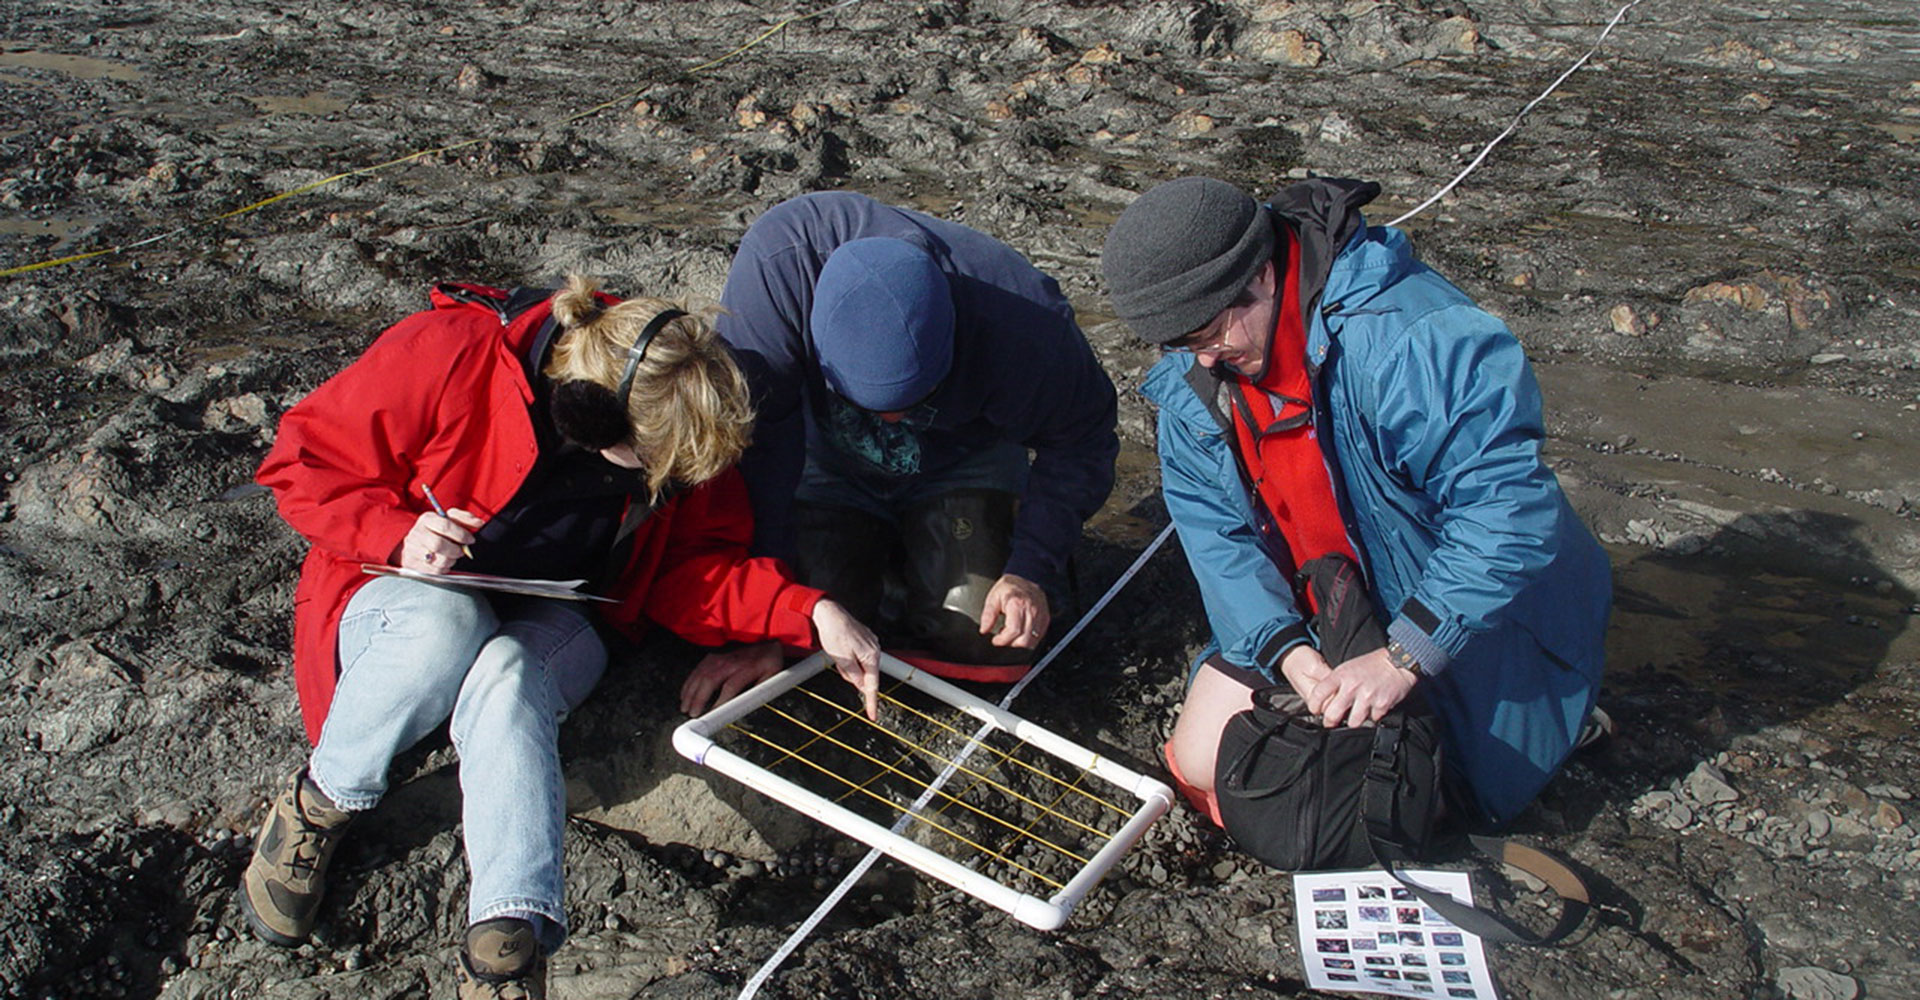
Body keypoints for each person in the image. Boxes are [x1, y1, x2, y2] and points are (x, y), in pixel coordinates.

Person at [240, 276, 882, 999]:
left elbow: (695, 569)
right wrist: (398, 536)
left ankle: (504, 951)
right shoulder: (451, 354)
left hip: (554, 619)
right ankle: (317, 803)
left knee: (512, 673)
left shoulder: (672, 414)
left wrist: (809, 613)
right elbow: (298, 463)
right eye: (659, 466)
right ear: (591, 413)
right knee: (452, 624)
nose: (672, 481)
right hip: (403, 600)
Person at [1100, 176, 1610, 832]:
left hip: (1466, 609)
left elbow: (1507, 510)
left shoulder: (1409, 339)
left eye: (1210, 331)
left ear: (1262, 272)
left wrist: (1405, 654)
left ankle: (1564, 715)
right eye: (1179, 342)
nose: (1203, 359)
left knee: (1434, 805)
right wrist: (1288, 654)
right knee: (1203, 763)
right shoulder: (1197, 374)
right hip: (1332, 607)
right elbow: (1216, 537)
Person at [710, 190, 1120, 683]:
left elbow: (1081, 442)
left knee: (983, 635)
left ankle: (927, 552)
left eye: (909, 403)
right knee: (813, 617)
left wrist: (1030, 568)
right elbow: (759, 438)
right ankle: (891, 560)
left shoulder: (1028, 329)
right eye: (876, 407)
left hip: (964, 460)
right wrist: (767, 625)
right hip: (823, 452)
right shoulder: (780, 269)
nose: (890, 421)